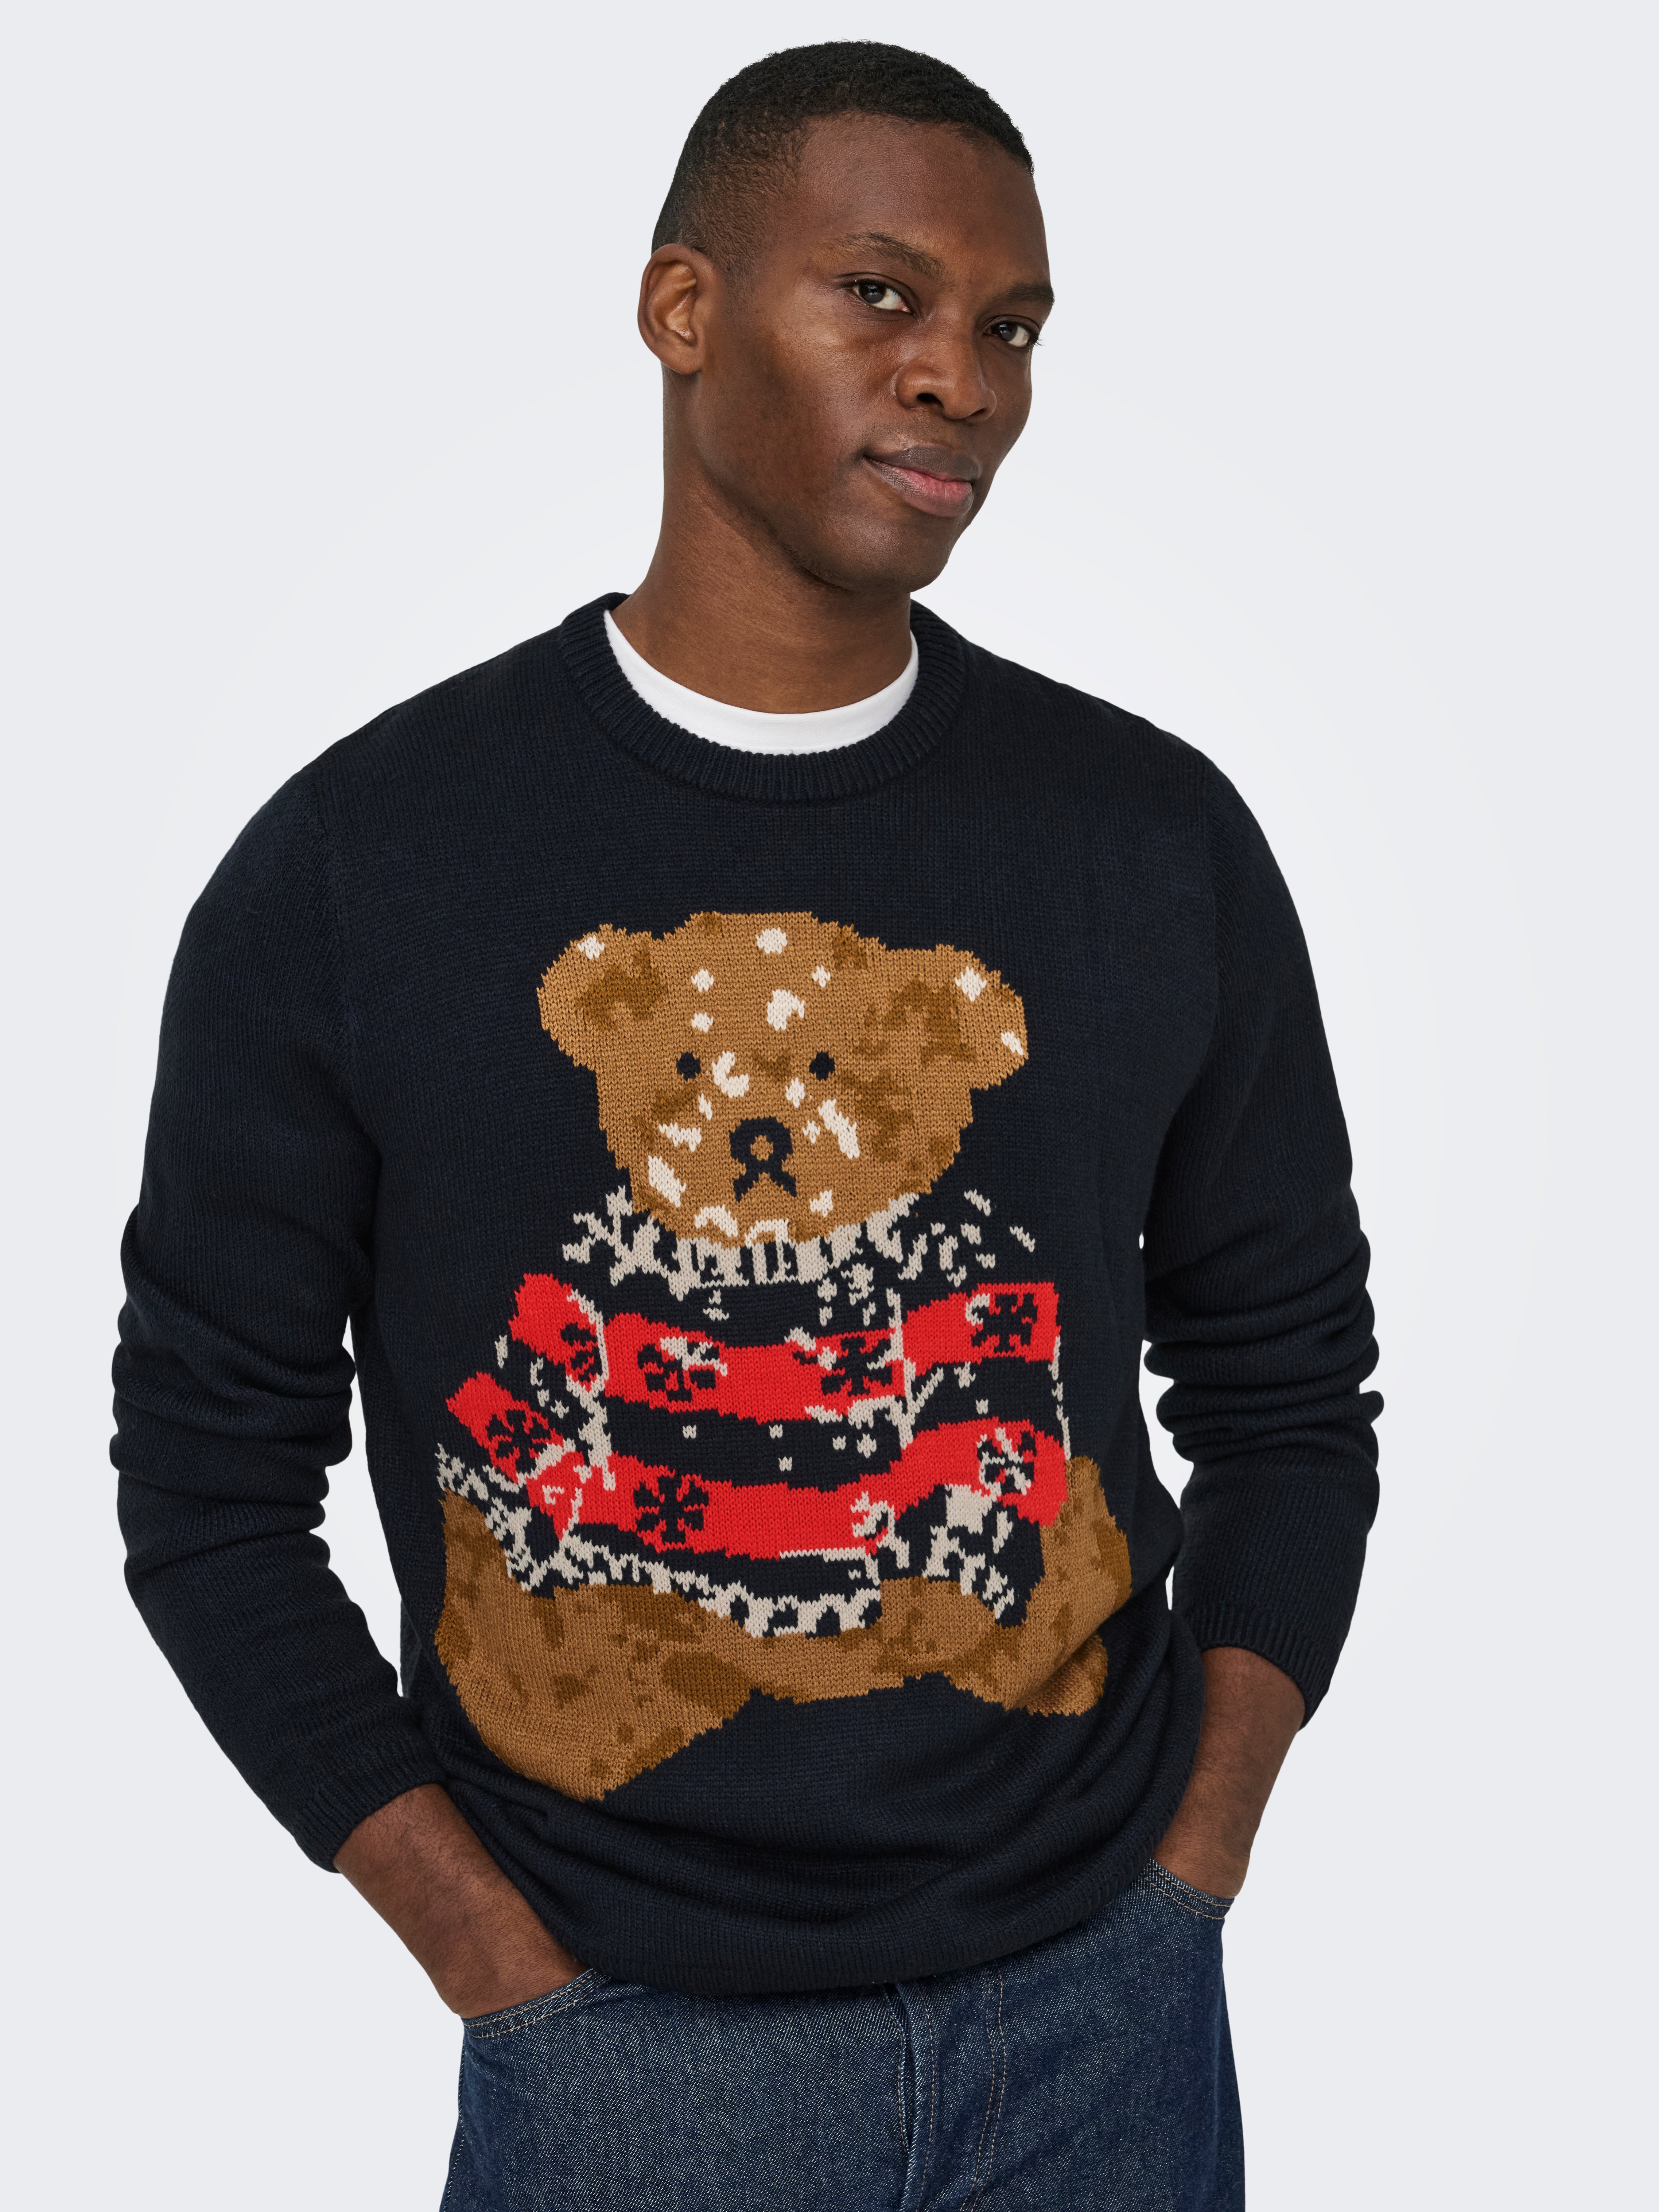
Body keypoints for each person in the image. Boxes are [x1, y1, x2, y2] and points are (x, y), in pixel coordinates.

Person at [113, 41, 1380, 2211]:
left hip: (1103, 2017)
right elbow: (207, 1480)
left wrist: (1191, 1865)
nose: (961, 377)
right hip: (623, 2047)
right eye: (880, 294)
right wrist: (498, 1962)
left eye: (1010, 325)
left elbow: (1287, 1390)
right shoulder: (367, 864)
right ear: (681, 308)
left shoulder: (1148, 840)